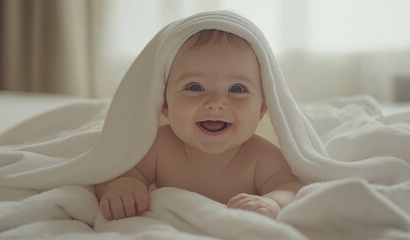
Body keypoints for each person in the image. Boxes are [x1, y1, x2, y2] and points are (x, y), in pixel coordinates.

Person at [95, 29, 303, 221]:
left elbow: (291, 188)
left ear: (262, 109)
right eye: (195, 87)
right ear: (165, 104)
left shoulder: (260, 156)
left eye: (237, 89)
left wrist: (273, 202)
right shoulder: (158, 146)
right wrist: (123, 187)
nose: (215, 103)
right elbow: (111, 171)